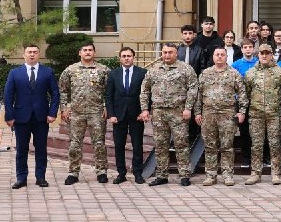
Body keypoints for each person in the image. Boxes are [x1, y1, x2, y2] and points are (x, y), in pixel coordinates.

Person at [139, 42, 197, 187]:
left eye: (170, 52)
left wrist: (188, 108)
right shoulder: (153, 70)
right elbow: (145, 91)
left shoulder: (186, 69)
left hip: (178, 112)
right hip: (158, 112)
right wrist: (145, 109)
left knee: (181, 144)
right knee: (160, 145)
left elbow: (192, 89)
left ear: (176, 53)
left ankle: (184, 175)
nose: (167, 55)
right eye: (164, 52)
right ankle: (161, 175)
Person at [4, 44, 60, 189]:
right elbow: (8, 96)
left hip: (42, 117)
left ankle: (40, 177)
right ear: (24, 55)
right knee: (21, 149)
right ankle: (21, 178)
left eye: (35, 52)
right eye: (29, 52)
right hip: (21, 117)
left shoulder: (48, 72)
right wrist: (9, 116)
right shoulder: (15, 73)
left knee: (41, 148)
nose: (32, 55)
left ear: (39, 54)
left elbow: (55, 93)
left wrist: (52, 113)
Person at [58, 42, 111, 185]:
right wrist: (64, 107)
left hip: (97, 112)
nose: (87, 52)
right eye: (85, 50)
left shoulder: (103, 70)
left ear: (94, 52)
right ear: (79, 53)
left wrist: (107, 106)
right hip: (76, 112)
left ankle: (101, 171)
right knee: (75, 144)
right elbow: (63, 90)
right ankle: (73, 172)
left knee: (99, 143)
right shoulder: (70, 70)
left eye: (90, 50)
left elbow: (109, 91)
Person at [195, 47, 245, 186]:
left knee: (227, 146)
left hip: (227, 114)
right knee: (210, 146)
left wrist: (241, 112)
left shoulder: (233, 74)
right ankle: (211, 175)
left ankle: (227, 175)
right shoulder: (205, 74)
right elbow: (198, 95)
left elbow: (242, 94)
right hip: (208, 114)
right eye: (217, 54)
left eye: (222, 55)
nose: (219, 57)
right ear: (213, 56)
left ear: (226, 56)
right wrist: (197, 112)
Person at [242, 44, 281, 185]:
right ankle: (255, 173)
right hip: (256, 114)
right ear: (258, 55)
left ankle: (275, 173)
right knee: (256, 145)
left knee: (274, 144)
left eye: (267, 53)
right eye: (262, 53)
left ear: (272, 54)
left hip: (275, 114)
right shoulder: (250, 73)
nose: (264, 55)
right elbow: (246, 93)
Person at [104, 47, 147, 184]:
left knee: (137, 145)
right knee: (119, 145)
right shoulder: (113, 74)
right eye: (124, 56)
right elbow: (109, 96)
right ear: (120, 58)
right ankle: (121, 173)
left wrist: (145, 110)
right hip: (118, 115)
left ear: (133, 57)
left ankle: (138, 173)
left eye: (129, 56)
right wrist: (111, 114)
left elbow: (147, 93)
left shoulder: (142, 73)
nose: (126, 58)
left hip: (136, 115)